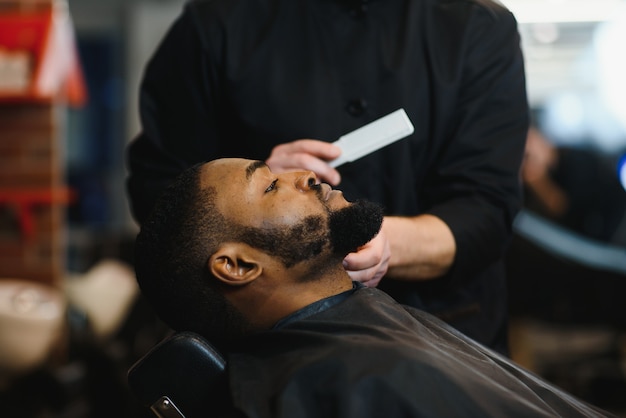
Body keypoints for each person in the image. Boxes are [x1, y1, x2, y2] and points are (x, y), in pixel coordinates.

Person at [126, 0, 530, 353]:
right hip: (272, 351)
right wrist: (251, 198)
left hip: (445, 336)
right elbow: (160, 199)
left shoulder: (477, 28)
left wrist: (375, 241)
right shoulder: (214, 28)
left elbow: (485, 209)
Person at [133, 158, 613, 418]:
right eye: (272, 186)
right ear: (237, 266)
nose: (306, 173)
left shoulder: (362, 331)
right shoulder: (338, 384)